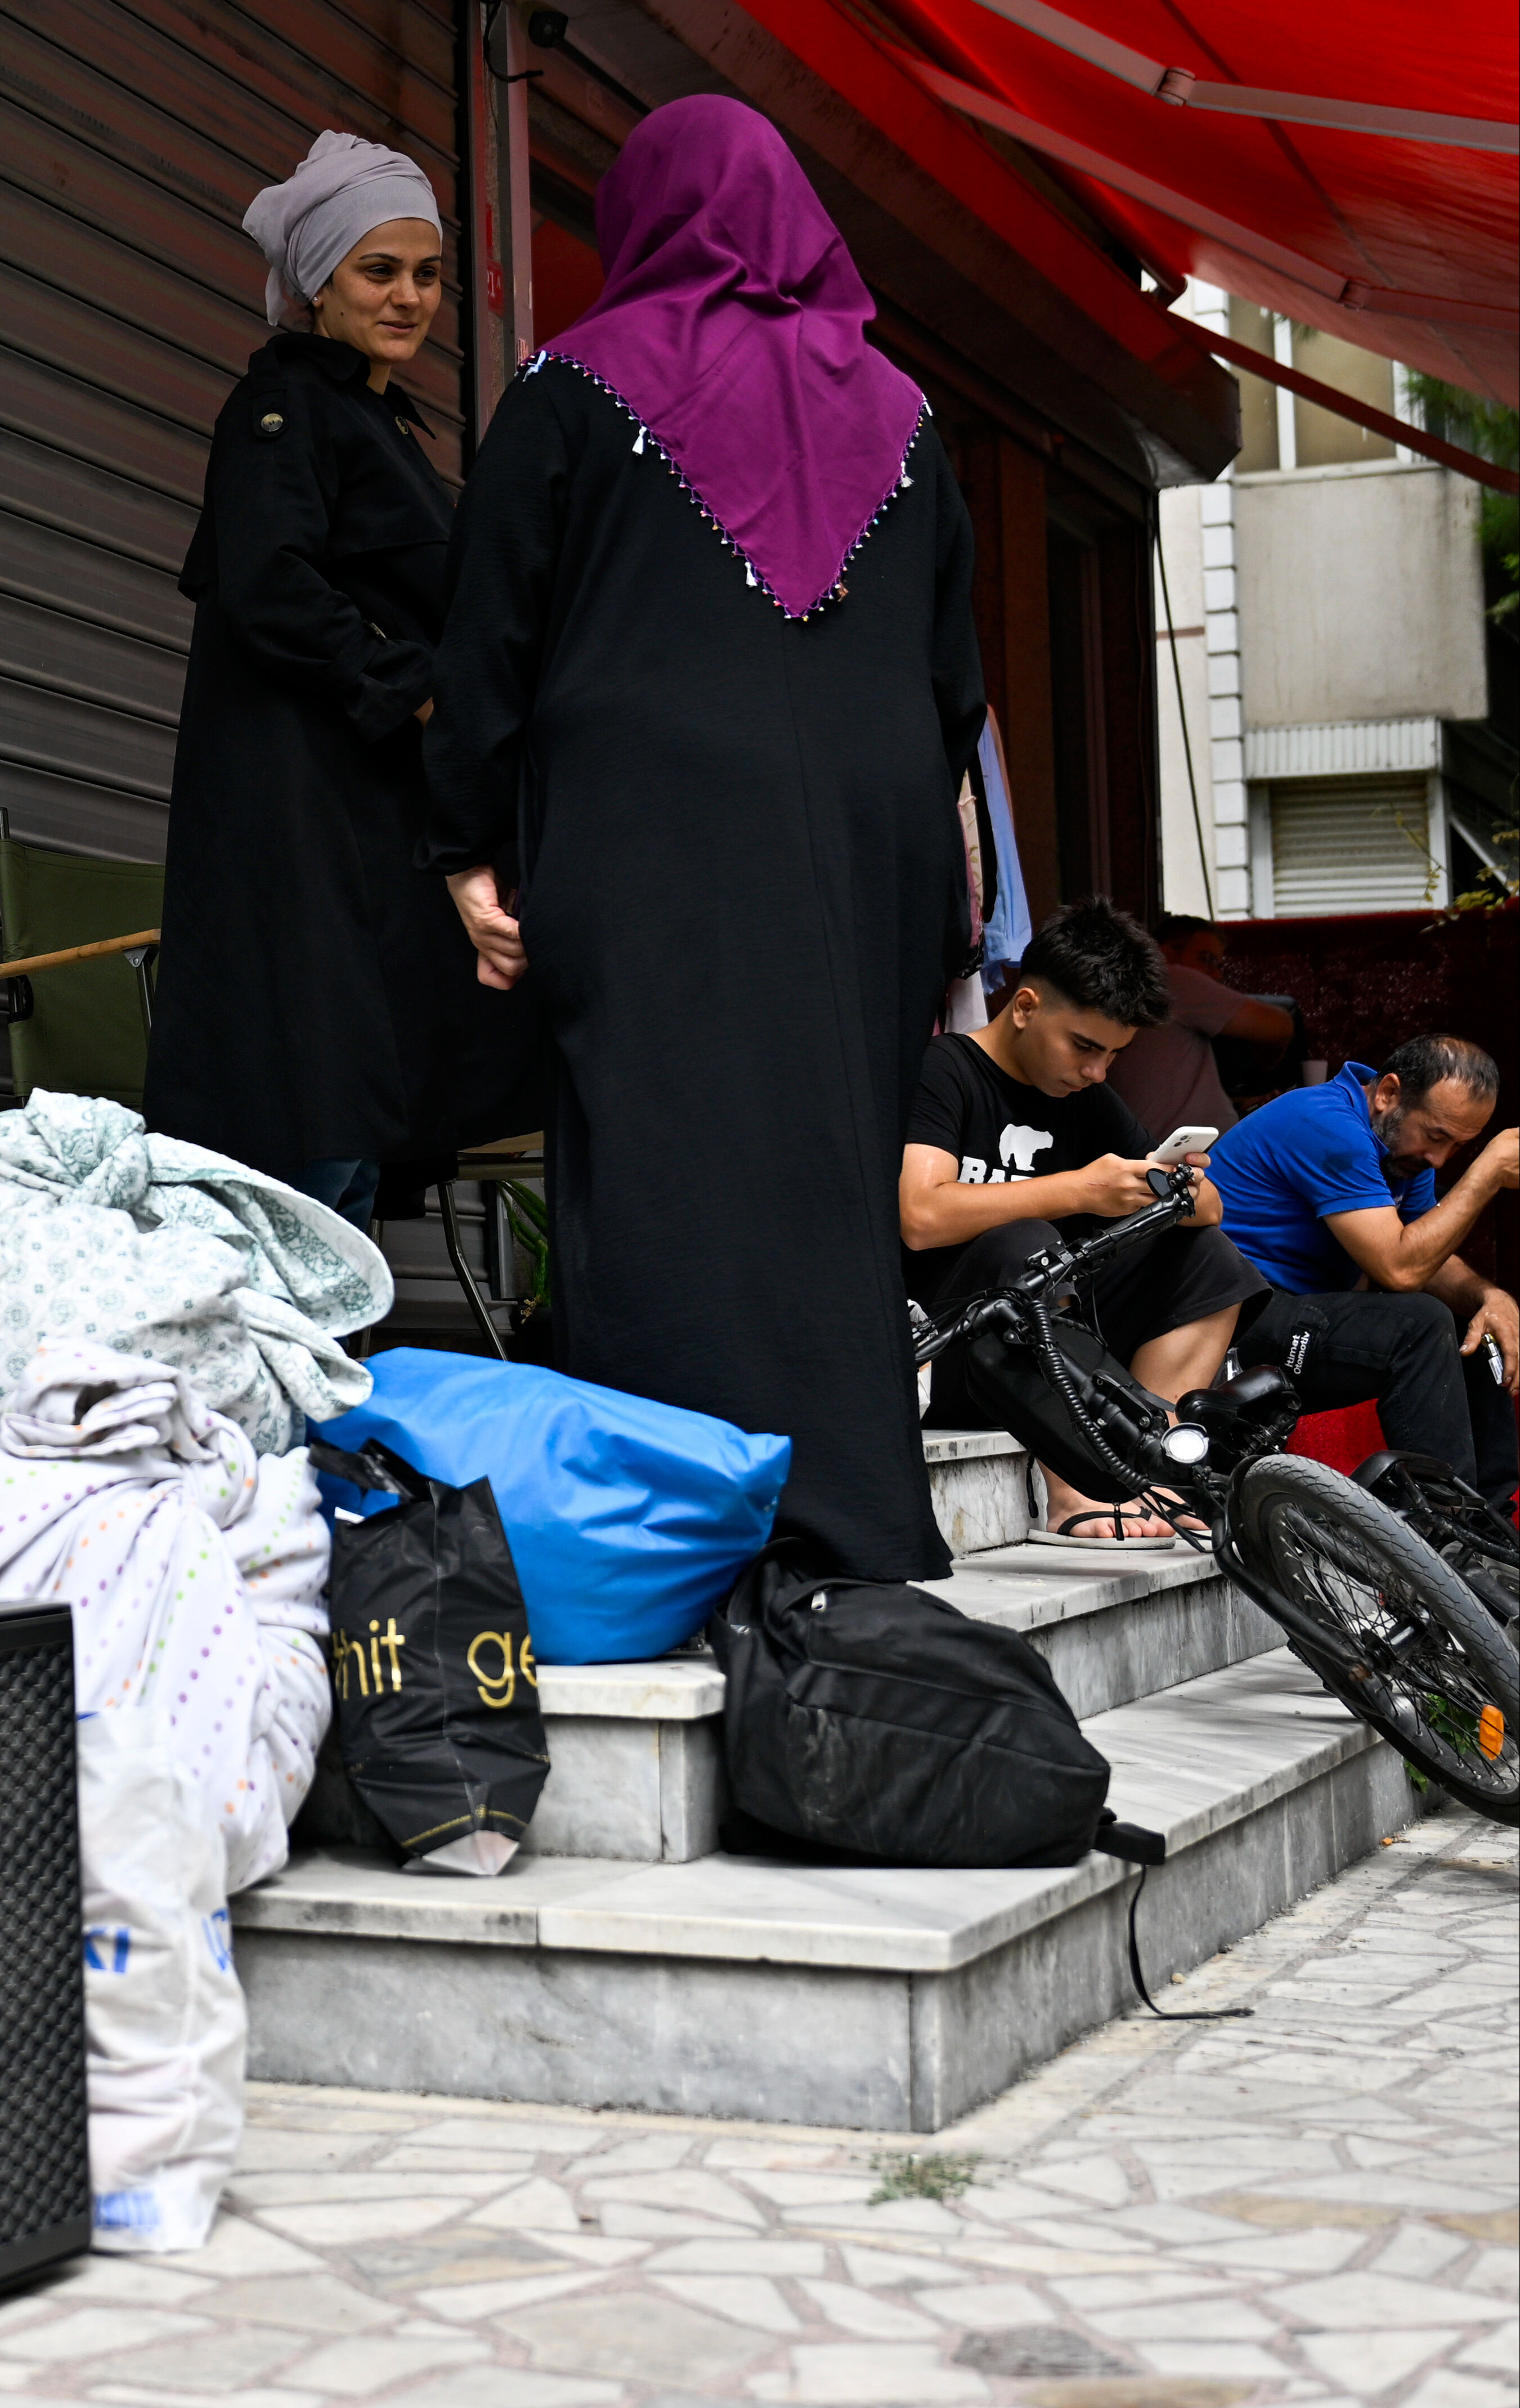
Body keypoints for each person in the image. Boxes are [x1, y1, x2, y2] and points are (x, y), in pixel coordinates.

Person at [422, 96, 985, 1581]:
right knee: (829, 1154)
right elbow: (953, 685)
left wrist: (466, 845)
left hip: (649, 823)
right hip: (870, 841)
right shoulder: (905, 412)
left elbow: (487, 635)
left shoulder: (571, 386)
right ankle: (853, 1507)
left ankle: (683, 1513)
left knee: (656, 1146)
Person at [142, 132, 541, 1229]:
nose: (410, 296)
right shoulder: (281, 413)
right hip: (301, 826)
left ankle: (327, 1374)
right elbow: (268, 584)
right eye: (380, 270)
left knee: (352, 1117)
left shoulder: (377, 419)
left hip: (368, 832)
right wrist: (414, 689)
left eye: (425, 273)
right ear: (317, 282)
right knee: (305, 1119)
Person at [901, 902, 1262, 1543]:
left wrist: (1170, 1182)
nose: (1096, 1070)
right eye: (1085, 1046)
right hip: (955, 1353)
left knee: (1212, 1260)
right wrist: (1076, 1189)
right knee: (1028, 1244)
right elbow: (920, 1215)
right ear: (1026, 1006)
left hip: (1057, 1346)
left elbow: (1210, 1211)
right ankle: (1074, 1489)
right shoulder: (943, 1069)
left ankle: (1147, 1463)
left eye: (1115, 1054)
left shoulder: (1086, 1097)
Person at [1209, 1035, 1519, 1507]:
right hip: (1227, 1323)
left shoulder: (1399, 1149)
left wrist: (1488, 1297)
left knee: (1473, 1326)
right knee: (1420, 1322)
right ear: (1388, 1093)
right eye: (1436, 1136)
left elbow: (1425, 1252)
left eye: (1460, 1147)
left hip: (1295, 1314)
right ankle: (1442, 1531)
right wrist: (1486, 1172)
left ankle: (1491, 1526)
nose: (1439, 1159)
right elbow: (1398, 1269)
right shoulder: (1326, 1124)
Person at [1106, 915, 1293, 1139]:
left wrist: (1239, 1103)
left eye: (1220, 966)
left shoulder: (1130, 987)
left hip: (1170, 1144)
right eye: (1207, 960)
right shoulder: (1173, 978)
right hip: (1185, 1153)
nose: (1216, 975)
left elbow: (1164, 1095)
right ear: (1169, 951)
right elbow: (1281, 1026)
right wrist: (1265, 1064)